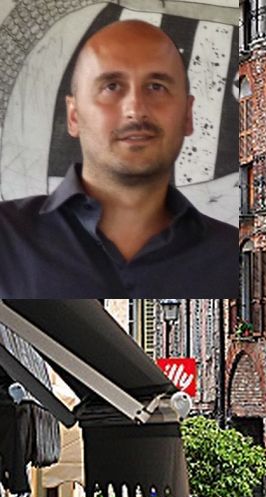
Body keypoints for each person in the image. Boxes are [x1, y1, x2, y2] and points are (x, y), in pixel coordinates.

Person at [0, 20, 237, 298]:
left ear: (187, 114)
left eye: (156, 87)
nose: (135, 110)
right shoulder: (7, 239)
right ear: (74, 116)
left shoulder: (234, 254)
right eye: (111, 86)